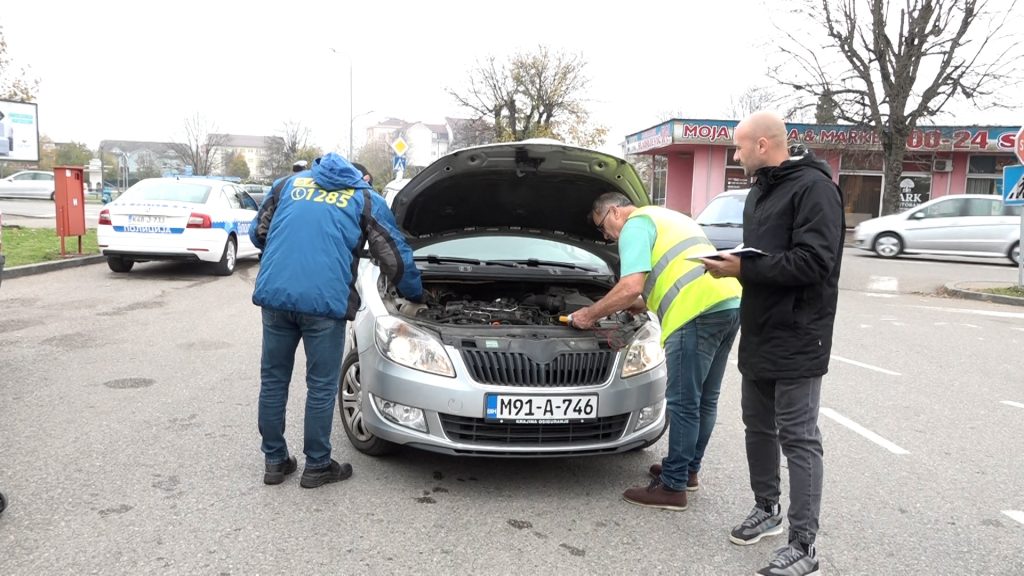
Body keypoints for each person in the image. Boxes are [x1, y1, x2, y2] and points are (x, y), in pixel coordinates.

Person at [702, 111, 844, 576]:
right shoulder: (758, 193)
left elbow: (814, 262)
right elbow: (764, 257)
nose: (735, 155)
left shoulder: (815, 189)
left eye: (740, 147)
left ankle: (804, 546)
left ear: (763, 145)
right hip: (760, 329)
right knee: (757, 427)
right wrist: (735, 263)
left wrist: (743, 268)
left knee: (799, 439)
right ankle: (767, 507)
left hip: (801, 333)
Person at [250, 152, 423, 488]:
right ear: (360, 177)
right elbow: (393, 257)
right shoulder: (363, 198)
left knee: (273, 380)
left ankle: (274, 461)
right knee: (321, 386)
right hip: (324, 304)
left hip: (275, 297)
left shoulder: (287, 185)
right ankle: (317, 465)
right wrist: (415, 293)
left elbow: (259, 233)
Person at [568, 191, 742, 511]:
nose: (606, 236)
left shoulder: (636, 224)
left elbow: (632, 285)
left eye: (604, 227)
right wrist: (631, 306)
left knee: (684, 401)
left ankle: (673, 486)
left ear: (616, 212)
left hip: (694, 313)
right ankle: (687, 470)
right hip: (727, 303)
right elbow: (658, 283)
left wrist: (589, 315)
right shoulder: (671, 217)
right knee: (705, 398)